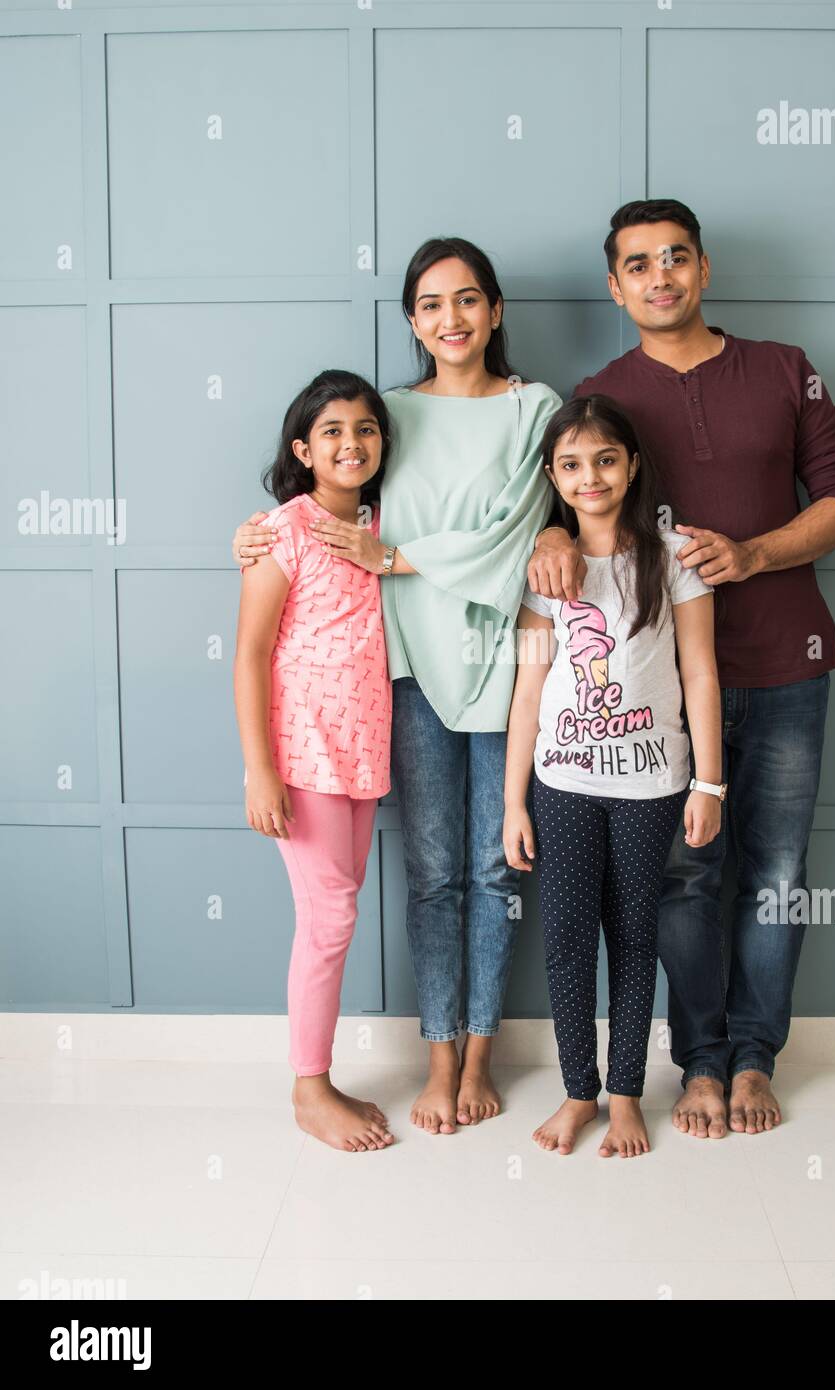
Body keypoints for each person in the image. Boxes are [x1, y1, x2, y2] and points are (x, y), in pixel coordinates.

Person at [528, 199, 835, 1138]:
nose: (660, 277)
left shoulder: (782, 369)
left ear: (704, 269)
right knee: (682, 880)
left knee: (775, 869)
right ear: (615, 285)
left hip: (786, 662)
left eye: (676, 258)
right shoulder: (605, 385)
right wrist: (554, 531)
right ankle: (700, 1064)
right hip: (654, 703)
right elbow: (569, 489)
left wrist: (757, 555)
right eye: (637, 265)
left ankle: (756, 1059)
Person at [233, 240, 560, 1134]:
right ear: (412, 320)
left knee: (495, 867)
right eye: (429, 304)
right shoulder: (390, 416)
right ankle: (439, 1052)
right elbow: (327, 500)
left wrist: (401, 556)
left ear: (495, 309)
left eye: (467, 299)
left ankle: (482, 1052)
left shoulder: (537, 409)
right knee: (430, 874)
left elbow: (517, 530)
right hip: (405, 674)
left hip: (503, 665)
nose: (449, 318)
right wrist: (256, 532)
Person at [504, 394, 722, 1158]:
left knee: (633, 935)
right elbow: (528, 687)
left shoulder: (672, 557)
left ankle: (625, 1093)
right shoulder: (545, 570)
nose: (589, 476)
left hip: (653, 784)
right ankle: (577, 1092)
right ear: (553, 477)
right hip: (560, 784)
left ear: (631, 465)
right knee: (566, 938)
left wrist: (710, 784)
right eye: (570, 464)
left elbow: (700, 672)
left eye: (604, 459)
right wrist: (512, 802)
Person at [233, 369, 394, 1152]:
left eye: (365, 428)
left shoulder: (379, 527)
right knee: (328, 920)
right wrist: (258, 768)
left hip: (364, 754)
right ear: (304, 449)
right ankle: (309, 1089)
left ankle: (316, 1077)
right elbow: (251, 651)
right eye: (332, 431)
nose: (351, 443)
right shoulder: (281, 530)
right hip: (303, 757)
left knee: (339, 913)